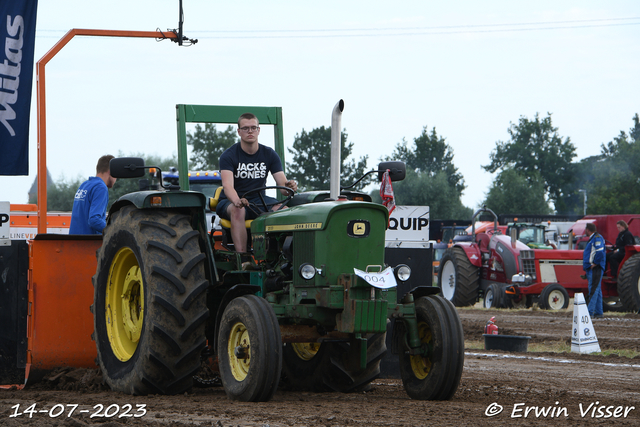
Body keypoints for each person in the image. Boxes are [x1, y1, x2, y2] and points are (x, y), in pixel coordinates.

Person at [216, 113, 297, 254]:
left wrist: (290, 186)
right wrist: (237, 201)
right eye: (246, 128)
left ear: (259, 130)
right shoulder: (229, 155)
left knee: (284, 211)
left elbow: (283, 187)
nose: (250, 131)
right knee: (238, 211)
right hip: (231, 202)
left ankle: (284, 256)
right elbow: (227, 186)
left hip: (258, 201)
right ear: (239, 131)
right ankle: (243, 258)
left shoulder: (269, 154)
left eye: (253, 127)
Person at [69, 155, 116, 235]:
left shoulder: (84, 185)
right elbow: (94, 220)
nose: (116, 179)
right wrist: (114, 230)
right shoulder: (100, 187)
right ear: (111, 172)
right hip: (88, 244)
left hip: (74, 242)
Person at [582, 222, 605, 318]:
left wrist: (595, 263)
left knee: (593, 289)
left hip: (595, 269)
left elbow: (600, 252)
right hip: (594, 268)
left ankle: (590, 312)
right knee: (597, 290)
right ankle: (599, 312)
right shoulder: (594, 238)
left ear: (588, 230)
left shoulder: (596, 238)